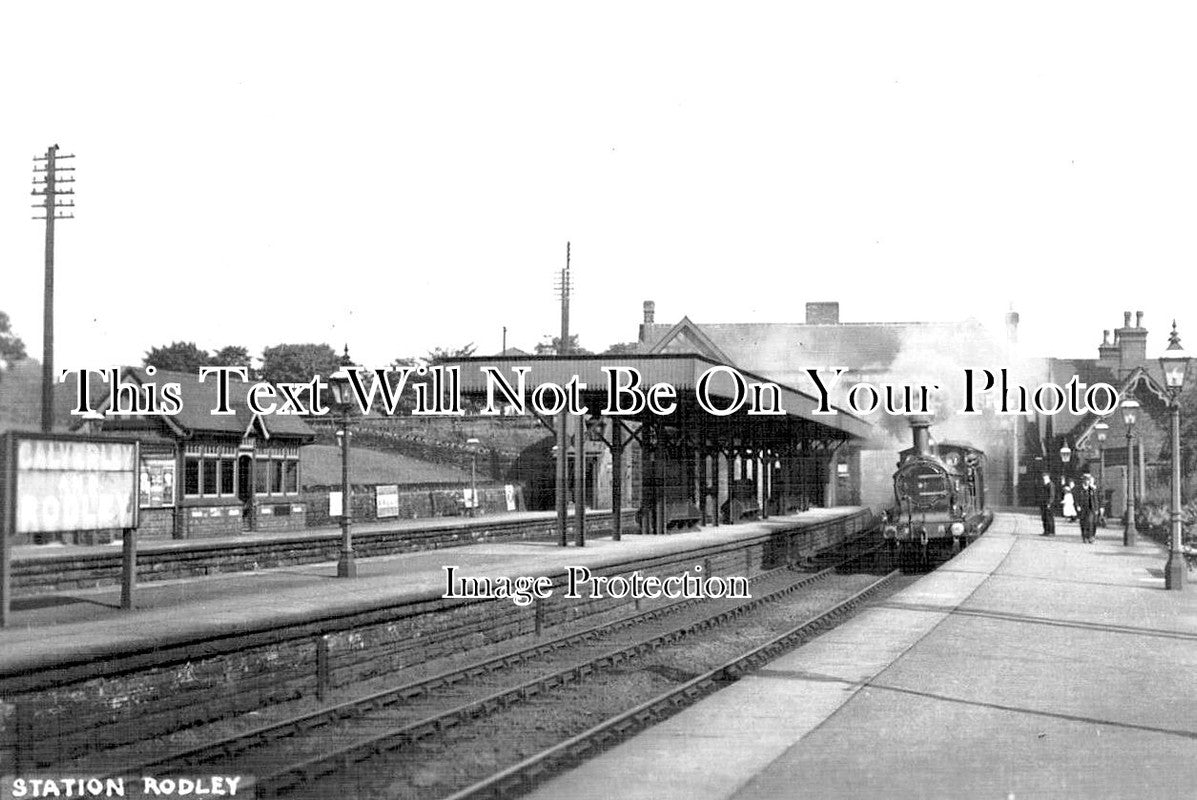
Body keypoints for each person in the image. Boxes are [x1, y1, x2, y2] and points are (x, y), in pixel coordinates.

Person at [1077, 473, 1100, 543]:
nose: (1087, 482)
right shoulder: (1079, 489)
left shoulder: (1092, 489)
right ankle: (1084, 536)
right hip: (1082, 508)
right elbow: (1076, 498)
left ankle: (1091, 536)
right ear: (1083, 481)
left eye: (1088, 480)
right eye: (1085, 480)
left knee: (1090, 522)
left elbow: (1095, 499)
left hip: (1091, 508)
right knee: (1083, 522)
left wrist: (1096, 508)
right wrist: (1077, 505)